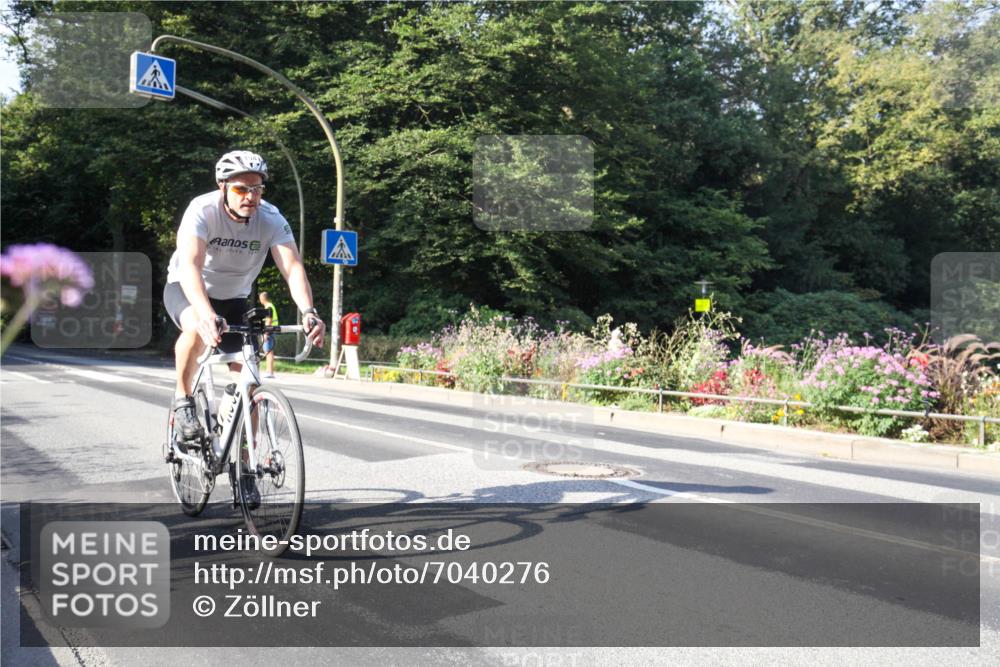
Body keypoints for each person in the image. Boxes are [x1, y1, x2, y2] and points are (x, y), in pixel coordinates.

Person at [164, 150, 325, 443]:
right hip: (188, 288)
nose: (251, 197)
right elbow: (190, 265)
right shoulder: (202, 210)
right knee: (196, 327)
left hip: (235, 298)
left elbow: (292, 267)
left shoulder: (271, 218)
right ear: (222, 187)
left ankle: (247, 464)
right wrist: (206, 313)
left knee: (249, 384)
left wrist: (308, 311)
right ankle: (183, 400)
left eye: (257, 189)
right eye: (241, 189)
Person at [258, 291, 279, 378]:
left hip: (269, 331)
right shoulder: (270, 306)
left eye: (260, 298)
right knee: (268, 351)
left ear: (262, 298)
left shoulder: (268, 307)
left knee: (268, 351)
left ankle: (270, 372)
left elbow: (269, 321)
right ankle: (269, 371)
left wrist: (266, 333)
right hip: (271, 330)